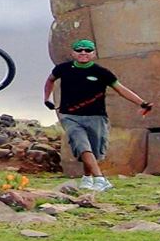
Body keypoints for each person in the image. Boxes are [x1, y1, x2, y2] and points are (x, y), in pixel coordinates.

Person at [43, 38, 153, 192]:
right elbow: (50, 81)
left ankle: (87, 178)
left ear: (94, 53)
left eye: (87, 50)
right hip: (70, 115)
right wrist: (46, 98)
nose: (83, 53)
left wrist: (142, 103)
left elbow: (121, 89)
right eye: (79, 50)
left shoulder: (101, 73)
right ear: (72, 53)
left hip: (96, 116)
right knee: (81, 144)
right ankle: (100, 179)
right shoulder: (63, 69)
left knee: (93, 150)